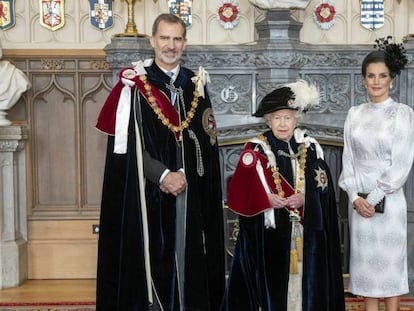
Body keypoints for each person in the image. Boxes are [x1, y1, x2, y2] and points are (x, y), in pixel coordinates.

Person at [95, 13, 225, 311]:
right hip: (148, 195)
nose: (171, 45)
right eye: (164, 38)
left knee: (191, 263)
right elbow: (124, 149)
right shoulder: (135, 87)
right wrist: (164, 174)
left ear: (185, 42)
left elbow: (207, 141)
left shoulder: (196, 85)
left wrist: (186, 174)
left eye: (177, 39)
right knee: (153, 267)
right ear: (152, 41)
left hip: (190, 194)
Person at [221, 80, 345, 311]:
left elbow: (325, 188)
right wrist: (265, 199)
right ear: (269, 120)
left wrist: (307, 198)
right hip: (270, 234)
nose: (282, 123)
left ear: (296, 118)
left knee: (305, 287)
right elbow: (238, 192)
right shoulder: (256, 148)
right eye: (276, 118)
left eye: (287, 117)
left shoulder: (310, 146)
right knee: (273, 288)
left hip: (306, 233)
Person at [339, 36, 414, 311]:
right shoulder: (354, 114)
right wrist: (353, 196)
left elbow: (402, 162)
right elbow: (349, 159)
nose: (376, 81)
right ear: (363, 80)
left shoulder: (403, 113)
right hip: (358, 203)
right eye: (370, 76)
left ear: (391, 79)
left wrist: (373, 197)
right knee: (367, 271)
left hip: (389, 201)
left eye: (382, 76)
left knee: (390, 269)